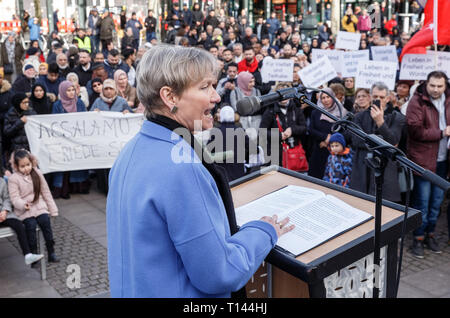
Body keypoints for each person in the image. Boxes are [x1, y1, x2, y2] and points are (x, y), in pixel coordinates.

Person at [107, 45, 293, 297]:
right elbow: (219, 273)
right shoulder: (183, 168)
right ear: (170, 97)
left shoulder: (130, 150)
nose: (216, 97)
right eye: (205, 87)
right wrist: (264, 231)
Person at [406, 71, 450, 257]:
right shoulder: (417, 101)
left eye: (440, 86)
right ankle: (418, 238)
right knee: (422, 202)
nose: (436, 89)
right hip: (423, 162)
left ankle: (430, 234)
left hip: (443, 161)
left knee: (436, 203)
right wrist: (441, 133)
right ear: (426, 83)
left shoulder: (448, 100)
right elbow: (415, 129)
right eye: (432, 85)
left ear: (445, 85)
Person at [350, 82, 405, 202]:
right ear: (370, 97)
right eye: (375, 97)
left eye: (381, 97)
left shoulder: (397, 117)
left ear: (388, 98)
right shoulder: (359, 116)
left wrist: (380, 122)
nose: (378, 100)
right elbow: (356, 140)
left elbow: (393, 142)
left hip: (386, 171)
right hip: (363, 169)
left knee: (385, 208)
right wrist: (381, 141)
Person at [8, 149, 59, 263]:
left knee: (46, 223)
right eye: (22, 166)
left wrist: (53, 209)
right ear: (16, 166)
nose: (26, 168)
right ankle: (33, 253)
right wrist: (22, 204)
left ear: (32, 162)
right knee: (30, 226)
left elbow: (46, 192)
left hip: (39, 206)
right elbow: (14, 197)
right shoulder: (13, 179)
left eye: (28, 165)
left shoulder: (37, 173)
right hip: (25, 210)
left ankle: (51, 251)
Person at [51, 81, 89, 199]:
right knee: (65, 165)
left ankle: (79, 187)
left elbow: (85, 119)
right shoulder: (57, 105)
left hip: (77, 138)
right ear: (62, 91)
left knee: (78, 163)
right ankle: (64, 189)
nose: (71, 92)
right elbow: (54, 122)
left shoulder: (80, 103)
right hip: (63, 139)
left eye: (73, 90)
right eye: (68, 90)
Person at [0, 172, 44, 266]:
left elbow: (7, 198)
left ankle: (28, 255)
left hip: (3, 214)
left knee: (19, 225)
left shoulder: (2, 181)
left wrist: (4, 211)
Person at [260, 82, 307, 167]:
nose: (284, 96)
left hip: (293, 150)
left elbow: (304, 128)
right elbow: (262, 131)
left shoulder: (296, 109)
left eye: (286, 93)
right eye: (281, 93)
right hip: (275, 152)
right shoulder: (270, 110)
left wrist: (292, 130)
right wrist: (279, 135)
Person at [308, 88, 348, 179]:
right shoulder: (316, 112)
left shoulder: (342, 112)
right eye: (323, 98)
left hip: (335, 151)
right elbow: (311, 130)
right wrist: (324, 137)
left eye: (328, 97)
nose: (326, 100)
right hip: (319, 149)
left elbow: (344, 131)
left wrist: (331, 141)